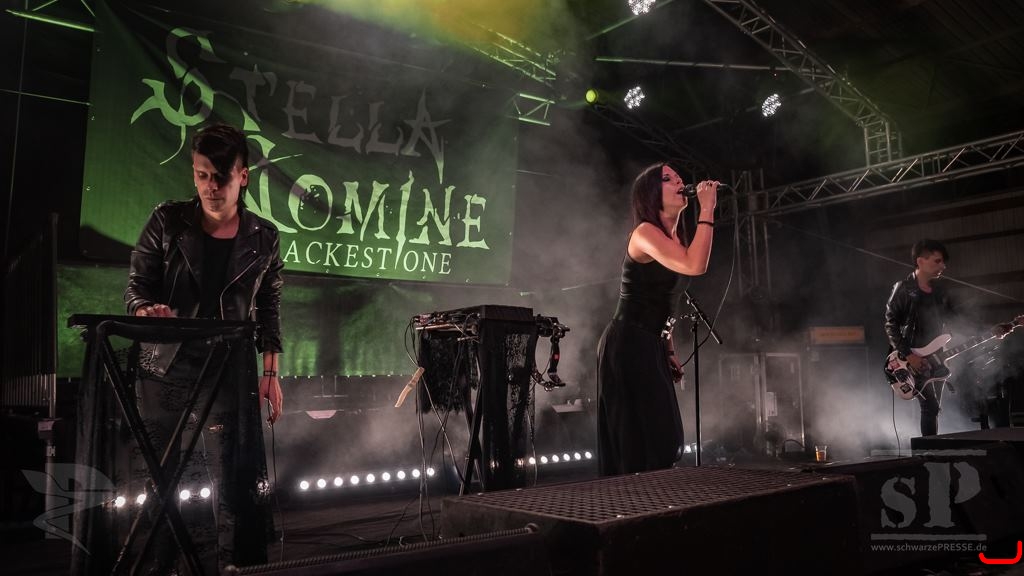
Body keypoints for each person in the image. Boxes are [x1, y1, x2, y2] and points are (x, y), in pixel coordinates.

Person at [124, 123, 284, 571]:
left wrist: (271, 374)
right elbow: (136, 287)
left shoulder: (264, 236)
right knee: (161, 479)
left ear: (243, 176)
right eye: (201, 176)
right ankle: (162, 565)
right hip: (165, 367)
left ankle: (234, 567)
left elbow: (269, 308)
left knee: (233, 478)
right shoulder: (167, 221)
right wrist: (145, 309)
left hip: (227, 368)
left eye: (220, 177)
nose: (210, 187)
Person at [597, 162, 718, 476]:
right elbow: (695, 265)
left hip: (650, 342)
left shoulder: (674, 240)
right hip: (628, 341)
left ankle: (653, 499)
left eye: (679, 177)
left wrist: (668, 348)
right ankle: (632, 502)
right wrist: (707, 208)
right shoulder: (644, 233)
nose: (679, 182)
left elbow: (665, 301)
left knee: (662, 437)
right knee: (641, 440)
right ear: (650, 194)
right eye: (668, 179)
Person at [885, 239, 1020, 436]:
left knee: (933, 409)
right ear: (921, 261)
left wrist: (991, 330)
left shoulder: (940, 291)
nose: (943, 266)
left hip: (938, 357)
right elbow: (890, 324)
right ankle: (927, 450)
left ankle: (932, 449)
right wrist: (909, 355)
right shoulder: (904, 288)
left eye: (943, 262)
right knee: (930, 406)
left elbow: (958, 319)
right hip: (910, 358)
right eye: (937, 261)